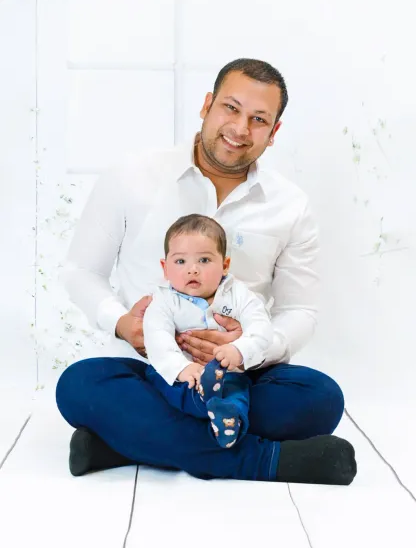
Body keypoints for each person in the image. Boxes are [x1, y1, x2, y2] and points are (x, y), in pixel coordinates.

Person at [56, 58, 357, 485]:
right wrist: (124, 325)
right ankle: (265, 461)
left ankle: (120, 442)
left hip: (240, 377)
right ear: (206, 105)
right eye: (230, 108)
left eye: (258, 119)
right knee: (78, 385)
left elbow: (300, 311)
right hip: (150, 371)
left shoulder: (290, 206)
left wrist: (249, 346)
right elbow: (80, 270)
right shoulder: (132, 175)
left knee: (321, 398)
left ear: (274, 134)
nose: (239, 129)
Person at [143, 213, 274, 449]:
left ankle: (228, 420)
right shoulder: (163, 301)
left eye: (204, 260)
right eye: (180, 262)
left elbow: (262, 328)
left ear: (224, 265)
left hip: (226, 373)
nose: (192, 270)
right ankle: (203, 404)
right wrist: (182, 368)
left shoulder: (238, 294)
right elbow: (157, 337)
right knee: (162, 383)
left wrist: (239, 349)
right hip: (182, 375)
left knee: (238, 391)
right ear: (165, 268)